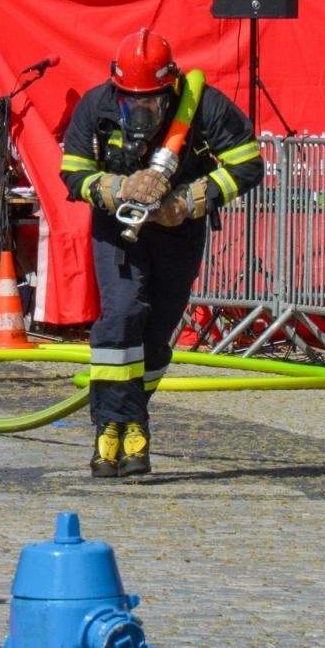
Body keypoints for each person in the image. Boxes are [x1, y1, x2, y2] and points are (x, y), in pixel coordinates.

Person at [60, 27, 265, 477]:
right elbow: (73, 171)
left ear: (170, 86)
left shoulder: (205, 107)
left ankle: (131, 416)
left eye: (150, 100)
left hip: (178, 232)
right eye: (130, 99)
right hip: (117, 231)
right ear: (116, 86)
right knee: (121, 315)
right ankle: (112, 430)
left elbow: (249, 164)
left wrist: (190, 200)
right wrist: (116, 188)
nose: (140, 110)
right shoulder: (96, 107)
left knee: (155, 333)